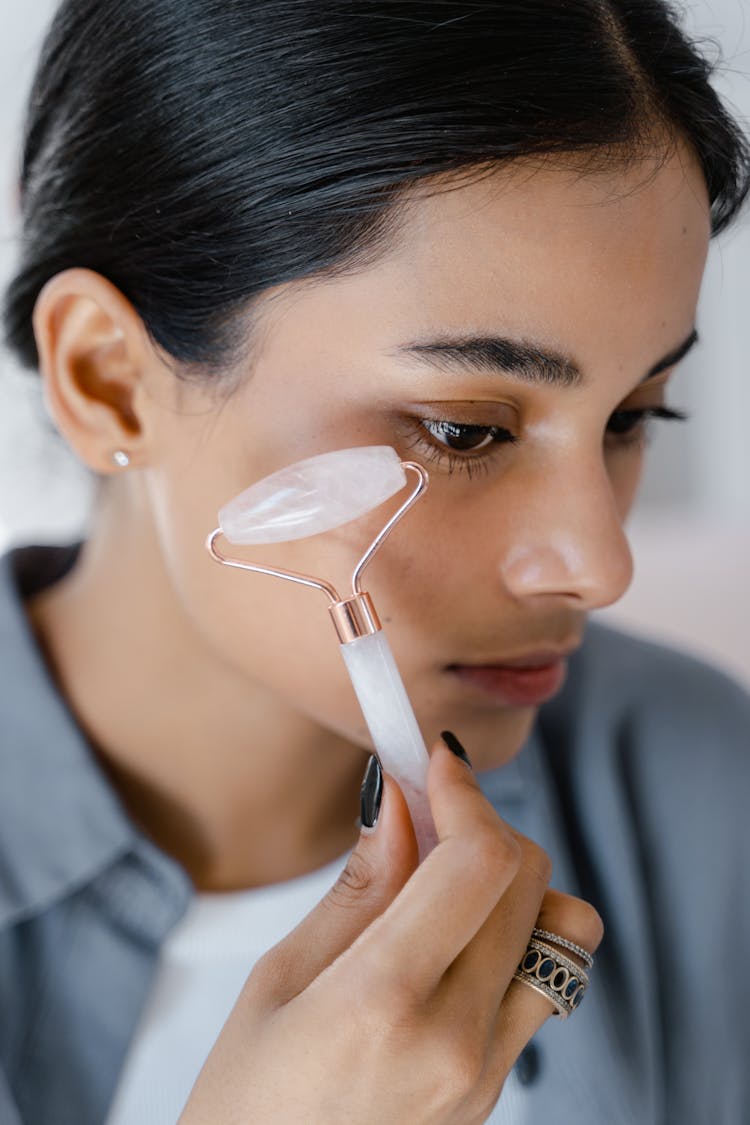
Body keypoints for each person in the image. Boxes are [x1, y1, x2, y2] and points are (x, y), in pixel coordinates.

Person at [1, 1, 749, 1122]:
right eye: (464, 431)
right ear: (109, 377)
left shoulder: (701, 784)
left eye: (636, 416)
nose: (598, 568)